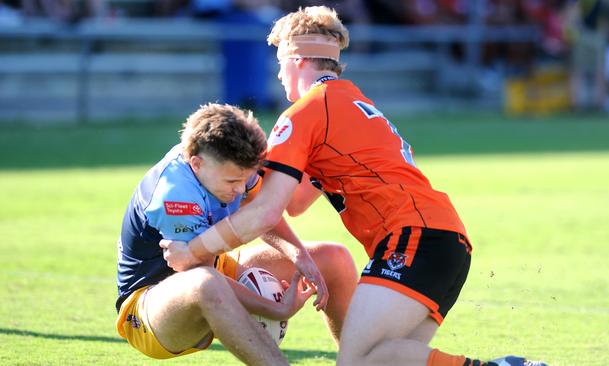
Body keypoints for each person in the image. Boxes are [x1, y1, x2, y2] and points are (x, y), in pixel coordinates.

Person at [161, 6, 547, 366]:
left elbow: (267, 211)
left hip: (413, 239)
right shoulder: (353, 102)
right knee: (386, 358)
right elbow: (294, 202)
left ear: (296, 62)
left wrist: (193, 250)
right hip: (445, 242)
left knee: (356, 362)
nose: (279, 76)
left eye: (280, 65)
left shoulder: (306, 111)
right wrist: (256, 170)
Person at [115, 102, 357, 365]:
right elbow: (198, 272)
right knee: (205, 282)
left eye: (246, 179)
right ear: (196, 164)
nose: (241, 189)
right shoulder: (175, 194)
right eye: (232, 182)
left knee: (334, 259)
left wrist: (299, 255)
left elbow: (259, 211)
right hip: (150, 311)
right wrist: (274, 308)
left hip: (216, 271)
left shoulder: (231, 166)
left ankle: (359, 361)